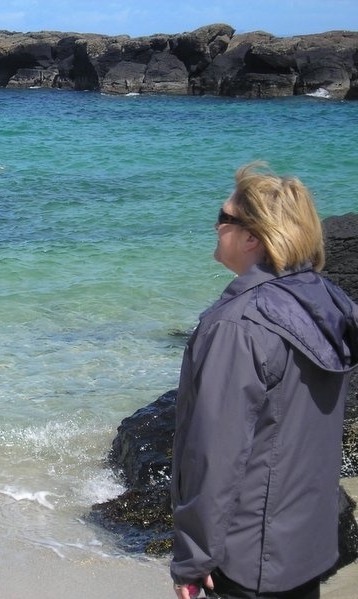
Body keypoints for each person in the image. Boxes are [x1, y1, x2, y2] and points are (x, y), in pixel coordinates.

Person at [169, 162, 358, 599]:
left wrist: (193, 558)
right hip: (303, 547)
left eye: (223, 218)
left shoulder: (238, 326)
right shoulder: (326, 301)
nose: (215, 226)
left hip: (245, 558)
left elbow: (216, 450)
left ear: (253, 236)